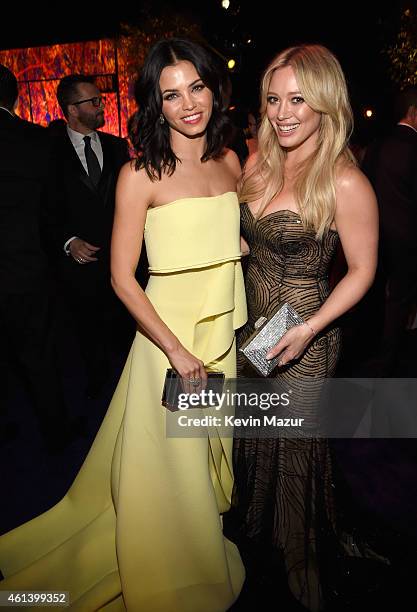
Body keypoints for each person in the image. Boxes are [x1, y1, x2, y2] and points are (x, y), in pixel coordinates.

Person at [0, 38, 247, 611]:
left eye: (197, 87)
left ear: (213, 89)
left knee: (211, 456)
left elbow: (225, 238)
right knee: (174, 470)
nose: (189, 104)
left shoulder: (232, 161)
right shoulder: (139, 175)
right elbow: (122, 279)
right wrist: (178, 354)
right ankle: (178, 571)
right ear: (154, 106)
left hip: (223, 335)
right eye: (171, 95)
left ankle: (201, 542)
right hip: (170, 345)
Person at [230, 44, 379, 610]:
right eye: (273, 98)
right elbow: (251, 241)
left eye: (298, 99)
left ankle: (302, 565)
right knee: (258, 441)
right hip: (252, 334)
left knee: (295, 449)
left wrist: (311, 328)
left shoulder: (344, 180)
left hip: (303, 337)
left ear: (325, 103)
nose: (283, 112)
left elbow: (363, 270)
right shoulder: (258, 162)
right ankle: (263, 537)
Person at [0, 64, 73, 453]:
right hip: (27, 270)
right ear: (15, 96)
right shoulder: (35, 142)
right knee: (39, 355)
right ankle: (57, 435)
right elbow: (54, 210)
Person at [46, 74, 132, 398]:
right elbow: (44, 210)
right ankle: (100, 397)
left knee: (125, 336)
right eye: (93, 101)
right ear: (71, 109)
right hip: (79, 269)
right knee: (88, 338)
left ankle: (130, 390)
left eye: (101, 100)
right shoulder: (49, 153)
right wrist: (68, 242)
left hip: (122, 261)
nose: (101, 105)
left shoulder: (117, 146)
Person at [361, 86, 417, 376]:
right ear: (413, 112)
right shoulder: (413, 148)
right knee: (399, 300)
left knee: (373, 296)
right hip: (407, 239)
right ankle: (388, 357)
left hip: (373, 235)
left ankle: (370, 352)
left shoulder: (377, 144)